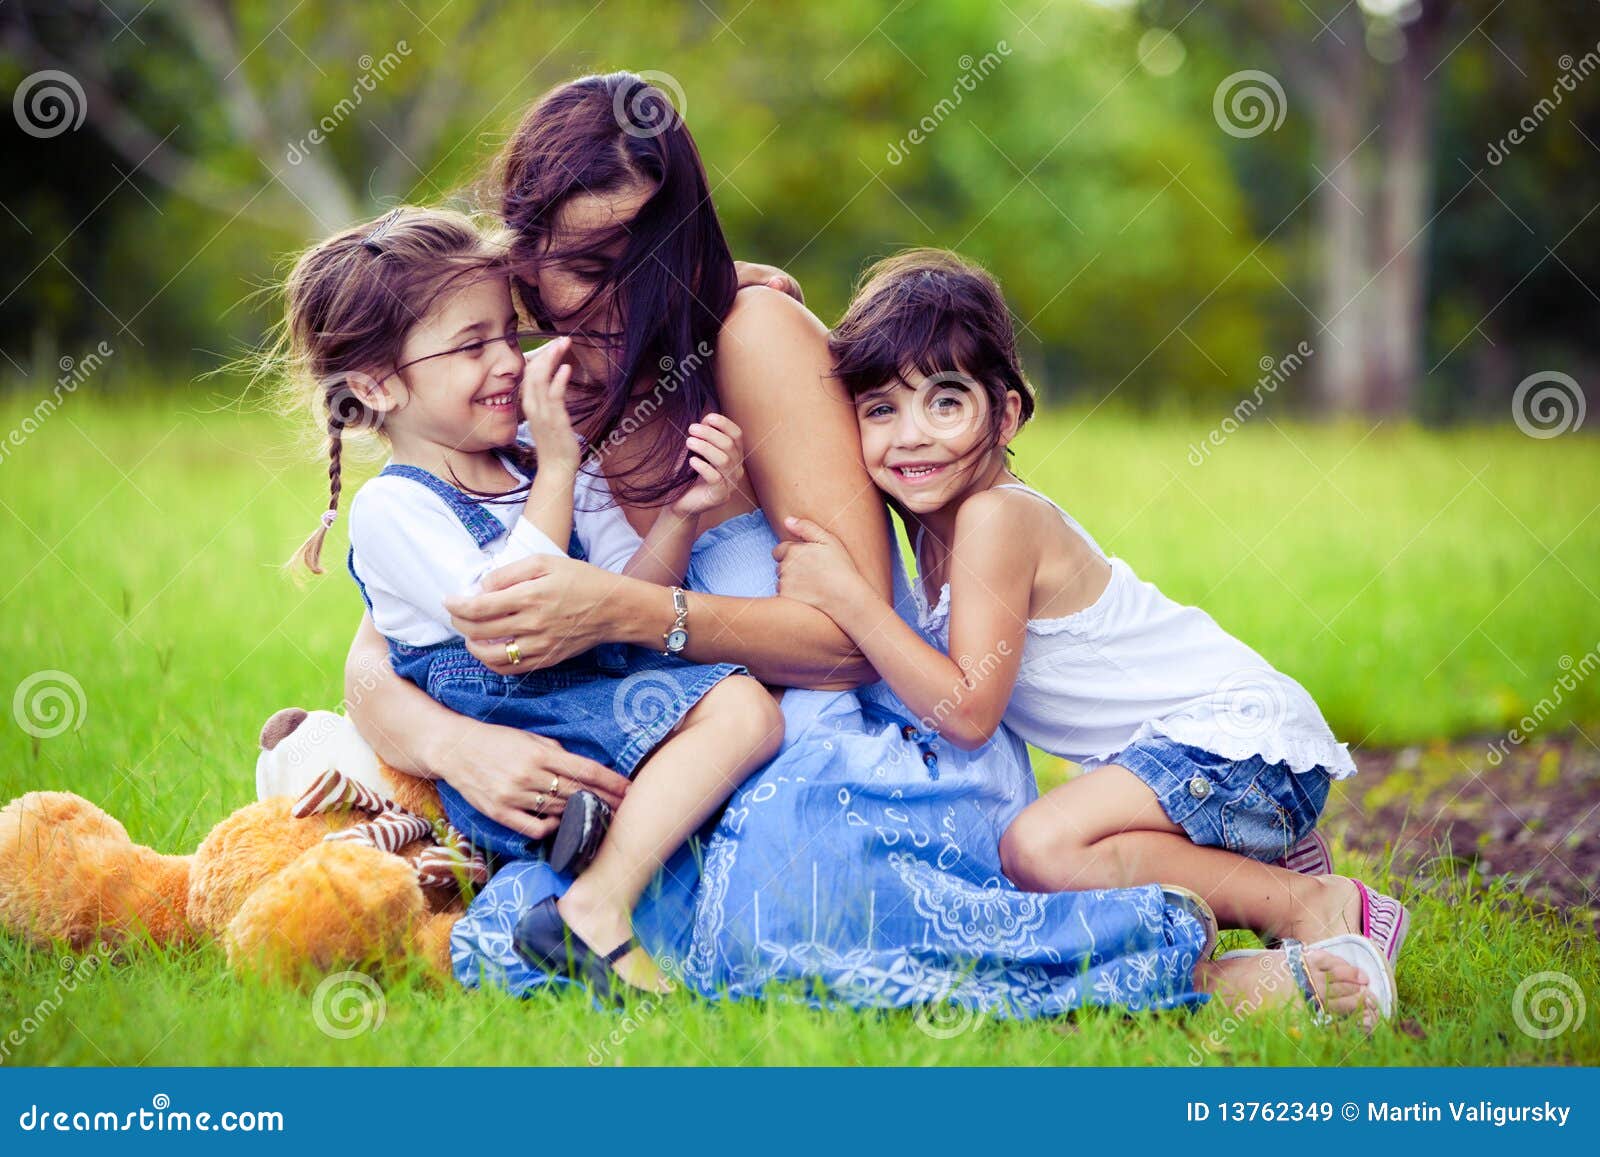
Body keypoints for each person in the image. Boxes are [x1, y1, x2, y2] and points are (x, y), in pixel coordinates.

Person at [341, 74, 1387, 1028]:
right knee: (549, 925)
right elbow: (387, 644)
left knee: (788, 889)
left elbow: (843, 644)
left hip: (863, 739)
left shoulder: (748, 341)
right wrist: (452, 745)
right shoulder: (529, 386)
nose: (611, 298)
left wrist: (625, 612)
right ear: (524, 266)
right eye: (577, 269)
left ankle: (1195, 966)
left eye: (645, 265)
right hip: (699, 757)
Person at [773, 248, 1407, 977]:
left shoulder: (994, 519)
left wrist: (848, 598)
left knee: (1037, 847)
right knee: (1058, 846)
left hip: (1239, 745)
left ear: (1006, 412)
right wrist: (762, 287)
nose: (910, 433)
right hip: (1199, 760)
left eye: (944, 402)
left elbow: (970, 709)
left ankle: (1313, 905)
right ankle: (1251, 864)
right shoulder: (930, 516)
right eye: (880, 408)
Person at [280, 205, 781, 995]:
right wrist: (556, 467)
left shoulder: (531, 464)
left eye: (508, 334)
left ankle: (566, 911)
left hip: (591, 697)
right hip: (526, 727)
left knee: (740, 745)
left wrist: (683, 515)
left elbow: (630, 596)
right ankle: (596, 904)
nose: (509, 360)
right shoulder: (394, 508)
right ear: (377, 383)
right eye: (471, 344)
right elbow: (508, 624)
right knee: (746, 712)